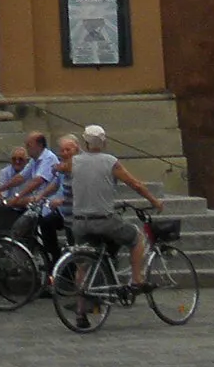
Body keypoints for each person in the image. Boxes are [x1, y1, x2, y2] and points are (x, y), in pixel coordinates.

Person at [68, 122, 164, 293]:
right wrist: (154, 201)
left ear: (85, 143)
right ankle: (136, 279)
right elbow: (135, 184)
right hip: (103, 221)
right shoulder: (110, 162)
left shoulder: (74, 162)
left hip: (79, 223)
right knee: (136, 238)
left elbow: (63, 171)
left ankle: (81, 309)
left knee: (82, 265)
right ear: (104, 143)